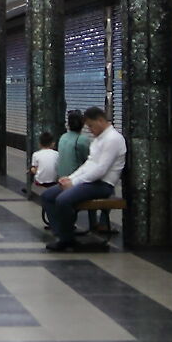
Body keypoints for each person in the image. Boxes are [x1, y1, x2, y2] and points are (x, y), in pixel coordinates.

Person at [42, 106, 125, 252]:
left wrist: (73, 183)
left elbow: (101, 170)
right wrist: (70, 178)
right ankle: (62, 233)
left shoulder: (113, 139)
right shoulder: (99, 139)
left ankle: (67, 239)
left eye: (91, 126)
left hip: (102, 184)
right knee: (48, 196)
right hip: (89, 182)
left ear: (100, 120)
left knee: (63, 200)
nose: (90, 130)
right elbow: (88, 164)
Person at [29, 133, 61, 211]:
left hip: (40, 182)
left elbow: (35, 169)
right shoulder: (57, 154)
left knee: (32, 170)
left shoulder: (36, 154)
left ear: (39, 144)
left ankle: (30, 191)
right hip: (54, 182)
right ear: (53, 143)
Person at [55, 108, 91, 179]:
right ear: (82, 124)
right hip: (74, 179)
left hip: (61, 177)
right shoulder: (82, 139)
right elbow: (88, 160)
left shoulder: (63, 137)